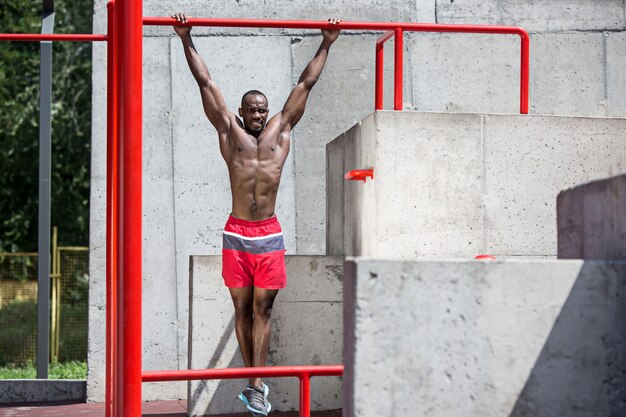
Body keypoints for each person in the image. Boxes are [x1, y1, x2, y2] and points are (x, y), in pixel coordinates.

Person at [172, 14, 341, 416]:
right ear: (243, 112)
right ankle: (255, 383)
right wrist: (186, 37)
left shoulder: (282, 131)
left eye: (262, 109)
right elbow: (206, 83)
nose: (258, 115)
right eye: (252, 109)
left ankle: (255, 384)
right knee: (242, 311)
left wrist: (327, 43)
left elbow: (305, 84)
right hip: (237, 232)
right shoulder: (230, 134)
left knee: (263, 310)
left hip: (267, 233)